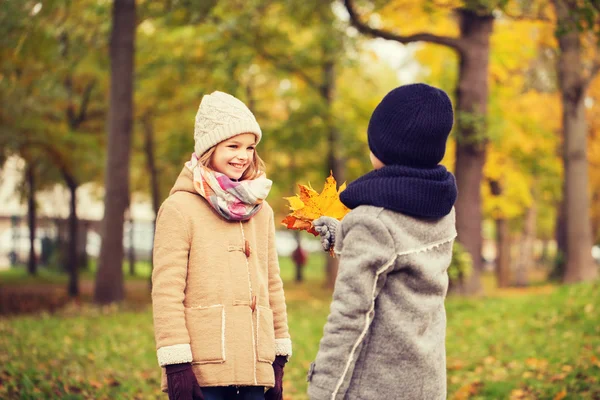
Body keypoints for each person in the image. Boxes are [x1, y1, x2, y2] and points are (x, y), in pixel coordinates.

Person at [308, 83, 458, 400]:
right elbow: (399, 255)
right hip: (425, 383)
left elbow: (349, 319)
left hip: (376, 387)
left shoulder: (371, 223)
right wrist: (345, 232)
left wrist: (324, 391)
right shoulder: (441, 208)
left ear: (386, 146)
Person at [151, 91, 292, 400]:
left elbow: (272, 284)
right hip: (203, 369)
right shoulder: (179, 208)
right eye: (233, 146)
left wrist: (278, 354)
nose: (243, 155)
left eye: (250, 147)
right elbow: (167, 291)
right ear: (209, 149)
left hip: (256, 364)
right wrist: (177, 365)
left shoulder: (261, 210)